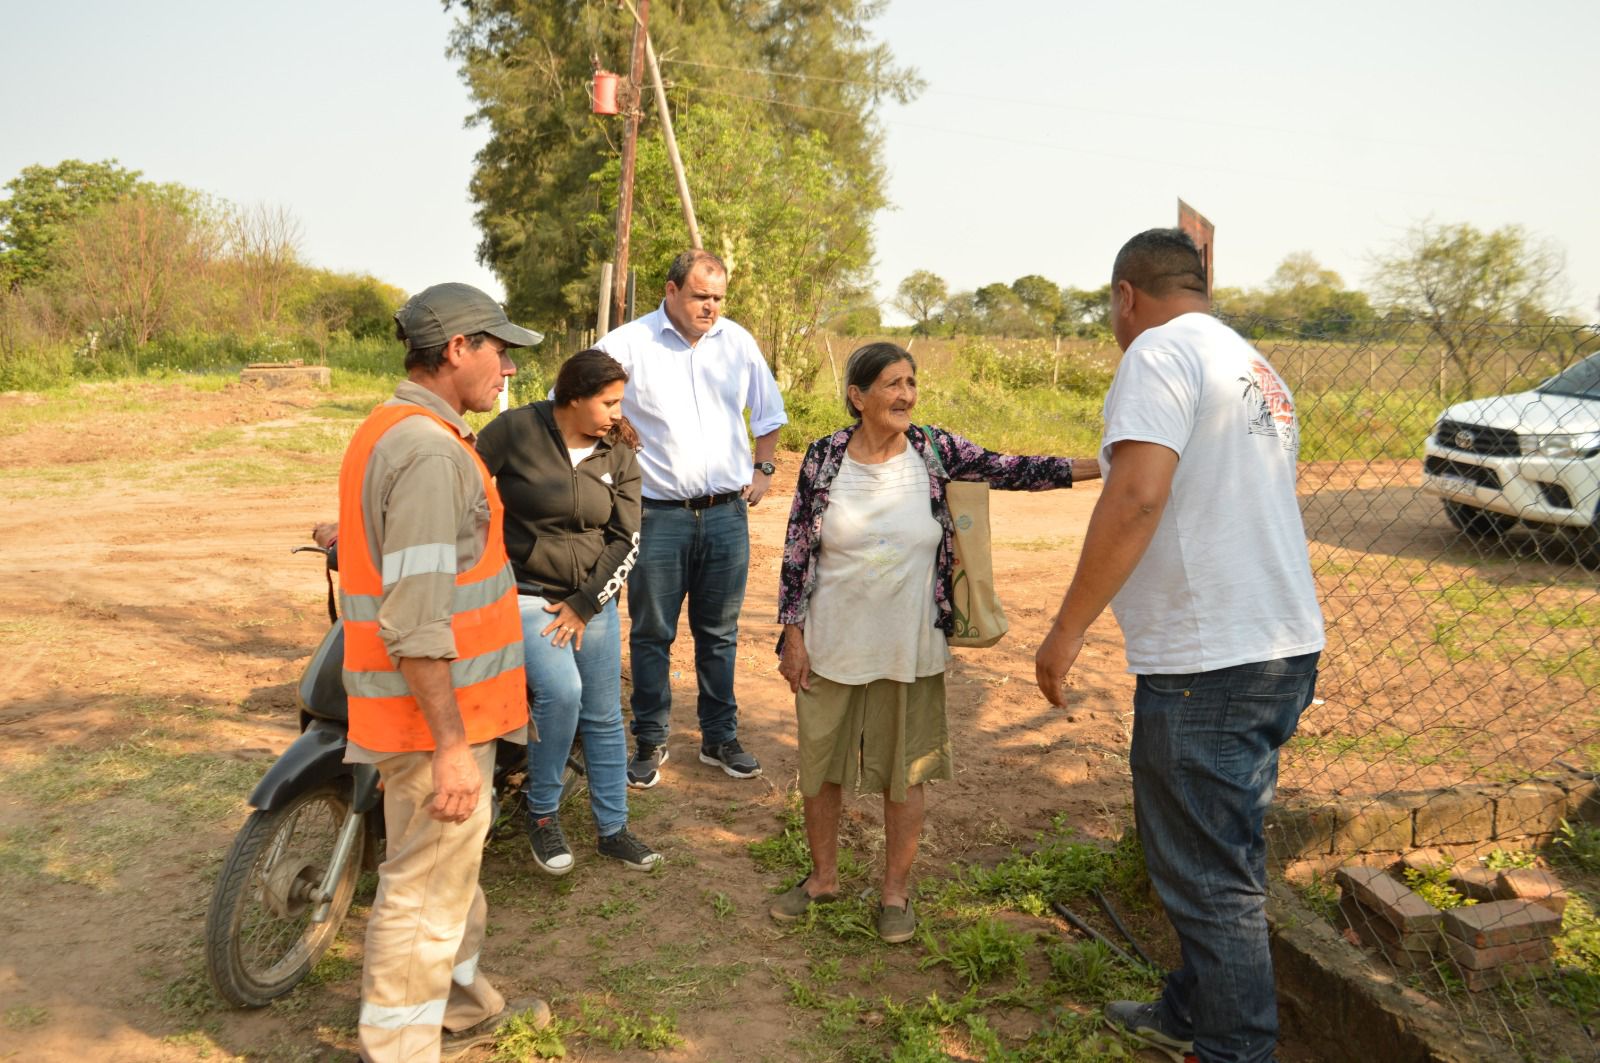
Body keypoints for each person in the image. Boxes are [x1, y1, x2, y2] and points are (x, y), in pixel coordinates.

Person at [1034, 229, 1324, 1063]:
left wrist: (1067, 626)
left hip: (1211, 661)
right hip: (1278, 645)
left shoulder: (1158, 353)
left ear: (1127, 294)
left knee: (1207, 876)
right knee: (1220, 851)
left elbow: (1137, 496)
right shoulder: (1251, 363)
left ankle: (1235, 1048)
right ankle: (1192, 1010)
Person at [773, 342, 1100, 943]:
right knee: (820, 771)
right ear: (857, 397)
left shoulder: (933, 450)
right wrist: (791, 634)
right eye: (892, 384)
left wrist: (1105, 462)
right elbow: (798, 549)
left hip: (910, 644)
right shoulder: (823, 458)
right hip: (830, 640)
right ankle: (822, 878)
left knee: (906, 772)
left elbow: (1012, 469)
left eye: (911, 383)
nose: (905, 395)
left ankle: (894, 893)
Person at [339, 282, 549, 1062]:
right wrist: (451, 744)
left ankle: (460, 1004)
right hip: (432, 720)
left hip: (434, 715)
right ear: (457, 349)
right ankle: (398, 1049)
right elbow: (419, 620)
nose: (509, 369)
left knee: (446, 877)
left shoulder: (394, 430)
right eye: (498, 350)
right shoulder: (428, 451)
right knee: (422, 894)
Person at [594, 249, 788, 787]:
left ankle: (719, 738)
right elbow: (574, 403)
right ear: (672, 289)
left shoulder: (737, 343)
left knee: (719, 633)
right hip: (656, 517)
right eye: (702, 296)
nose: (711, 308)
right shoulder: (626, 345)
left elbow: (768, 414)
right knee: (652, 633)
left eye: (719, 298)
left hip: (726, 515)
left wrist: (764, 467)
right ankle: (650, 741)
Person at [475, 349, 663, 877]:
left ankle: (613, 829)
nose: (616, 414)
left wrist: (585, 604)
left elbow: (627, 539)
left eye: (619, 403)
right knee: (563, 693)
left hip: (592, 602)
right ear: (573, 397)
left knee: (603, 716)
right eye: (608, 402)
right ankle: (541, 813)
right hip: (526, 595)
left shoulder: (619, 453)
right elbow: (460, 483)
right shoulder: (515, 431)